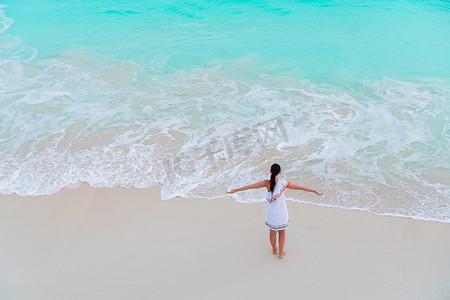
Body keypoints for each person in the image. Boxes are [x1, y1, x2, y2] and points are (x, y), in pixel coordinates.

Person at [227, 163, 323, 259]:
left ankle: (274, 249)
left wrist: (235, 190)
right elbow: (299, 187)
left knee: (272, 232)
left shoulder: (266, 183)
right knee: (282, 232)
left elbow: (251, 186)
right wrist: (314, 191)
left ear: (270, 171)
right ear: (280, 172)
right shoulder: (283, 183)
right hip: (281, 213)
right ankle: (281, 254)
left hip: (271, 213)